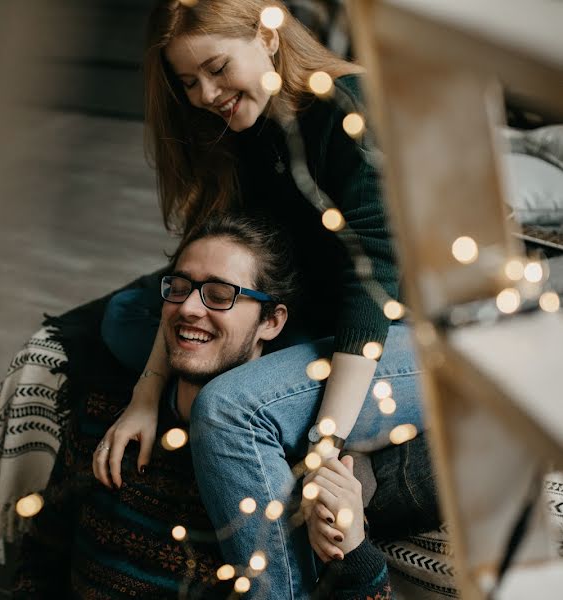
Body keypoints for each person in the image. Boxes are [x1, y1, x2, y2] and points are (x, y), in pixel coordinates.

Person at [94, 1, 426, 598]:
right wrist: (145, 398)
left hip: (415, 331)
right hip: (311, 313)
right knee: (126, 317)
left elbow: (370, 288)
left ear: (268, 37)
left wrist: (327, 443)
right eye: (189, 81)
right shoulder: (240, 130)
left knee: (225, 408)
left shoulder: (353, 109)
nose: (205, 94)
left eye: (218, 69)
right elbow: (218, 259)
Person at [15, 215, 409, 599]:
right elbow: (42, 554)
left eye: (220, 296)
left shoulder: (278, 473)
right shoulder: (107, 416)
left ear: (271, 322)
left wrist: (356, 552)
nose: (188, 308)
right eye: (180, 287)